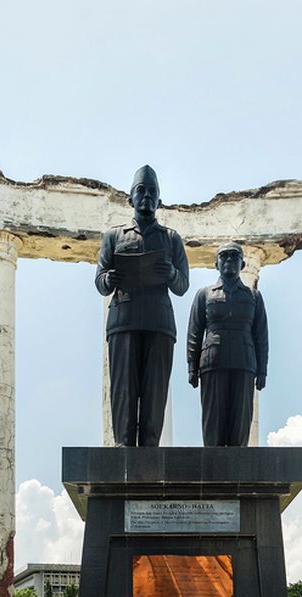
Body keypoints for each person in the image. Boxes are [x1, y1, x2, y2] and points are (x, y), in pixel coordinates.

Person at [95, 165, 190, 446]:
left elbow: (182, 285)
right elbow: (100, 281)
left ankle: (149, 451)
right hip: (123, 322)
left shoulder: (171, 238)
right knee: (123, 390)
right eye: (140, 191)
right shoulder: (113, 236)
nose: (146, 196)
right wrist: (109, 278)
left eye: (152, 192)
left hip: (159, 324)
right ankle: (123, 448)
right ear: (130, 199)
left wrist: (171, 273)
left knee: (155, 392)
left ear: (159, 201)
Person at [186, 242, 268, 446]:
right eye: (224, 256)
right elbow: (195, 332)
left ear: (243, 263)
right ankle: (212, 469)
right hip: (213, 363)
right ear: (216, 264)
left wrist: (263, 371)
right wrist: (191, 368)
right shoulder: (204, 294)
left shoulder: (254, 296)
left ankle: (239, 470)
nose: (229, 260)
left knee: (240, 423)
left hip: (244, 363)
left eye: (234, 256)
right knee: (213, 422)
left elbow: (261, 335)